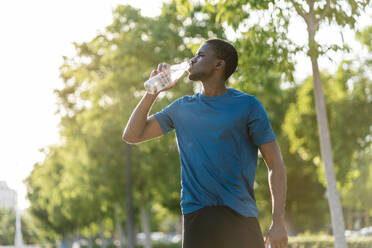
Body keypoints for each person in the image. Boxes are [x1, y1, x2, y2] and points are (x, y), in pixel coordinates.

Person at [122, 38, 287, 248]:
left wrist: (278, 221)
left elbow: (275, 164)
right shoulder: (181, 108)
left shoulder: (248, 106)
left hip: (240, 220)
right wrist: (152, 92)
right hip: (197, 220)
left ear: (219, 65)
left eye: (200, 56)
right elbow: (132, 135)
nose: (192, 59)